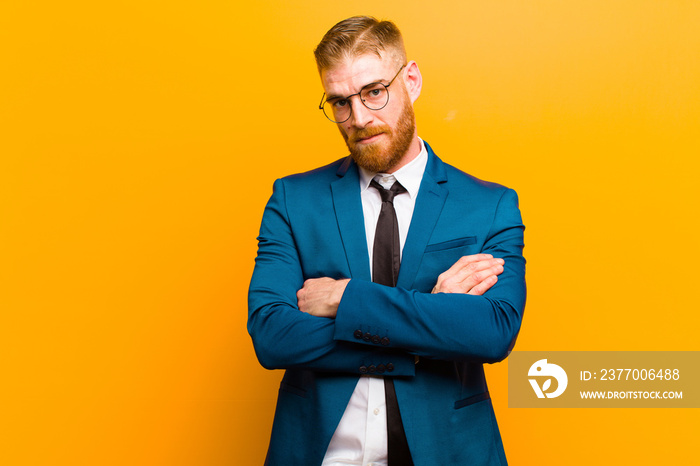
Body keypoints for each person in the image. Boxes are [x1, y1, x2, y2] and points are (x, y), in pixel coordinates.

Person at [248, 15, 526, 466]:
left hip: (448, 452)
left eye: (374, 92)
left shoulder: (488, 206)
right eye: (340, 102)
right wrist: (430, 315)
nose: (358, 118)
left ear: (410, 80)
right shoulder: (293, 200)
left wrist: (347, 300)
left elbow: (491, 333)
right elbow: (273, 336)